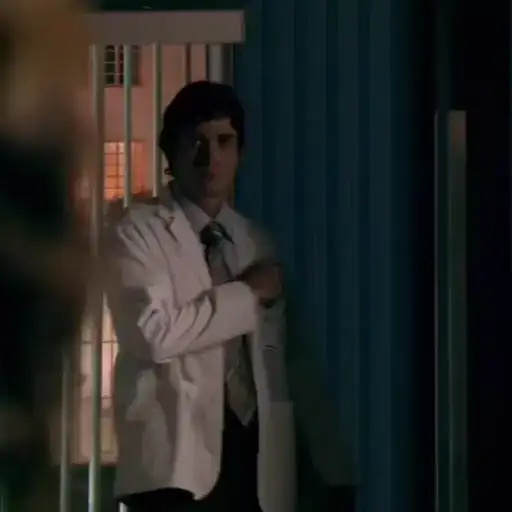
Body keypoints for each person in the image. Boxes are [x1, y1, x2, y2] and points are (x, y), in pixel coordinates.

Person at [106, 81, 296, 512]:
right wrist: (247, 293)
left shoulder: (256, 240)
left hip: (253, 462)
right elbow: (154, 334)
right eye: (196, 142)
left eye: (224, 141)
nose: (211, 158)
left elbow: (283, 358)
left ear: (240, 152)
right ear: (170, 152)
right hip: (173, 470)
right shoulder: (135, 233)